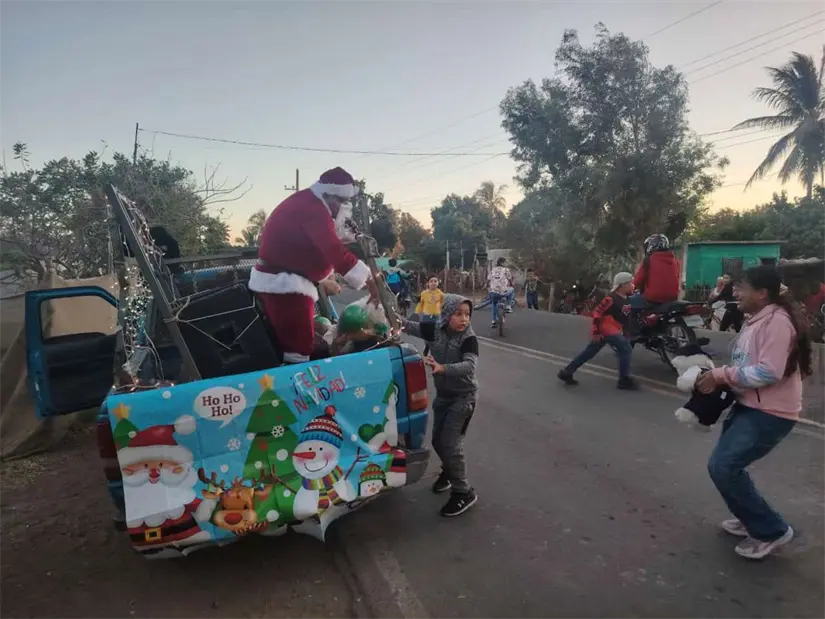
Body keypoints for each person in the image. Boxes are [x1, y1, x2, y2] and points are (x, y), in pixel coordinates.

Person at [697, 265, 812, 560]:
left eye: (741, 288)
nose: (735, 293)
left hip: (770, 413)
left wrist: (722, 375)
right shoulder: (759, 319)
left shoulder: (777, 322)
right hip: (750, 405)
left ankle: (771, 530)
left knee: (723, 467)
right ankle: (751, 518)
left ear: (762, 294)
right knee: (727, 467)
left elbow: (768, 371)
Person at [247, 167, 378, 364]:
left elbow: (310, 247)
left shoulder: (311, 203)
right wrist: (369, 279)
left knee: (302, 340)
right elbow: (333, 249)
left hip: (288, 282)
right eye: (342, 202)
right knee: (298, 346)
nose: (344, 207)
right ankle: (299, 385)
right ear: (330, 196)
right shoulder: (312, 208)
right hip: (284, 286)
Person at [403, 294, 479, 517]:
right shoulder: (433, 330)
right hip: (444, 396)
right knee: (437, 440)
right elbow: (405, 325)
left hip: (464, 397)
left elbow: (469, 366)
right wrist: (380, 304)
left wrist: (443, 368)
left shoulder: (468, 338)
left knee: (450, 442)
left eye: (467, 315)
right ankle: (449, 471)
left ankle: (463, 492)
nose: (464, 319)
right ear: (447, 314)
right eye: (458, 314)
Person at [557, 272, 638, 390]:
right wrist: (596, 332)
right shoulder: (610, 299)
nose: (633, 285)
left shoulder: (627, 299)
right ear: (622, 285)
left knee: (590, 352)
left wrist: (626, 331)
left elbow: (625, 317)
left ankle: (567, 372)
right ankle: (624, 380)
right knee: (625, 348)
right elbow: (597, 314)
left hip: (614, 329)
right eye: (630, 283)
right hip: (606, 328)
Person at [630, 233, 681, 310]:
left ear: (651, 245)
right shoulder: (675, 261)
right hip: (672, 299)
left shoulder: (648, 260)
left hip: (653, 298)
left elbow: (638, 280)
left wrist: (629, 289)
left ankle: (633, 322)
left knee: (628, 302)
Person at [487, 257, 515, 328]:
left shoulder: (493, 269)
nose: (506, 264)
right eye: (505, 262)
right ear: (502, 263)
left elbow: (488, 279)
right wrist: (511, 284)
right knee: (511, 289)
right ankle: (508, 306)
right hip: (503, 292)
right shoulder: (506, 270)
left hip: (493, 292)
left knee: (494, 303)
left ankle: (493, 321)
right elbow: (510, 279)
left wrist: (489, 286)